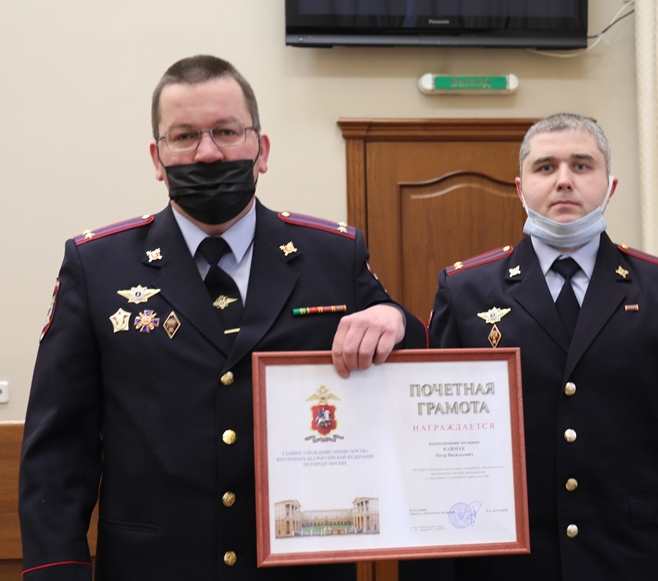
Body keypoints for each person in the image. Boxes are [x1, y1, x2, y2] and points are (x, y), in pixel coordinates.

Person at [19, 55, 428, 581]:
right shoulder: (97, 267)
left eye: (227, 132)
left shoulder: (333, 255)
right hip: (156, 568)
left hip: (299, 565)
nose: (209, 154)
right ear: (157, 156)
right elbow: (59, 446)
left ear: (261, 149)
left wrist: (394, 319)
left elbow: (414, 366)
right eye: (184, 136)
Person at [421, 113, 658, 580]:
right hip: (509, 562)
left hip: (632, 558)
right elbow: (434, 444)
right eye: (545, 167)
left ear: (610, 185)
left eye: (582, 166)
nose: (563, 180)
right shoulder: (466, 292)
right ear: (520, 188)